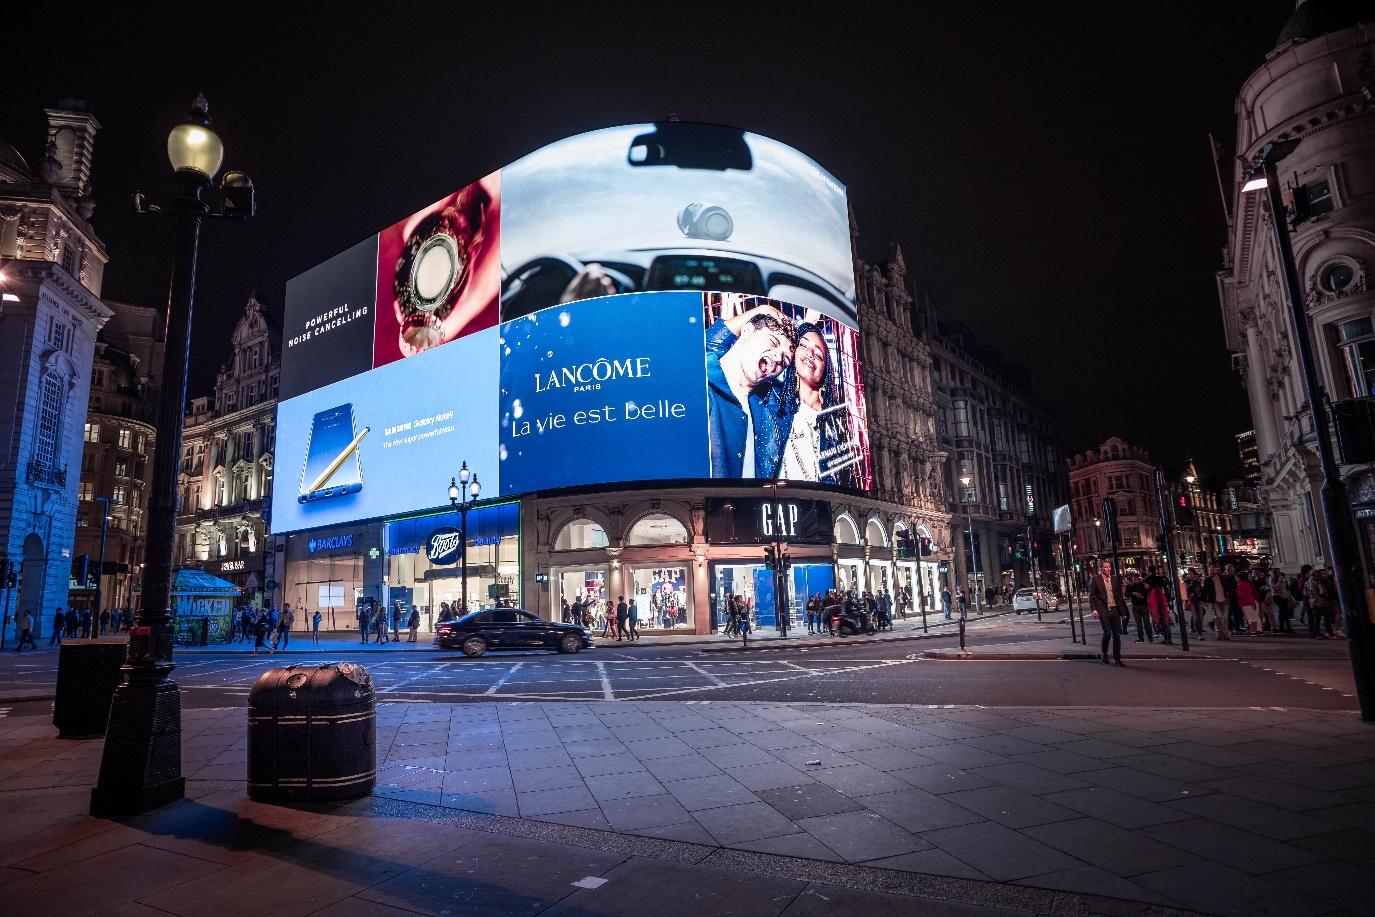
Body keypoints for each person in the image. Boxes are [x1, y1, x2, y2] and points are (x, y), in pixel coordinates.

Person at [705, 305, 796, 478]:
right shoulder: (700, 381)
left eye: (784, 360)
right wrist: (760, 310)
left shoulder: (774, 405)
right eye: (773, 342)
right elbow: (688, 353)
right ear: (746, 330)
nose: (777, 358)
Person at [1089, 559, 1127, 666]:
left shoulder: (1114, 579)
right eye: (1105, 567)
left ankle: (1117, 659)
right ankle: (1104, 654)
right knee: (1107, 633)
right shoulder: (1095, 579)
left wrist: (1123, 612)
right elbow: (1092, 596)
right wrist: (1094, 610)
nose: (1108, 569)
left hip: (1114, 609)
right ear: (1101, 568)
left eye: (1109, 567)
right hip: (1103, 610)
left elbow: (1119, 597)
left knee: (1117, 635)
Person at [1202, 564, 1233, 640]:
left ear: (1216, 570)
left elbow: (1229, 587)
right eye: (1210, 570)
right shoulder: (1207, 580)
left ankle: (1225, 634)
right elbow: (1204, 591)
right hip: (1215, 601)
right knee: (1218, 617)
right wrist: (1205, 600)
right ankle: (1219, 633)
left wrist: (1229, 596)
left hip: (1224, 600)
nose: (1212, 571)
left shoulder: (1223, 578)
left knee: (1225, 617)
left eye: (1213, 570)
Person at [1125, 573, 1152, 643]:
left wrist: (1145, 591)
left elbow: (1149, 592)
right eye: (1135, 579)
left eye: (1138, 579)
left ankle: (1150, 638)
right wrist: (1133, 593)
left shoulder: (1143, 585)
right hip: (1135, 606)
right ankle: (1141, 638)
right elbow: (1126, 594)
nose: (1136, 580)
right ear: (1133, 579)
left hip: (1143, 605)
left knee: (1146, 622)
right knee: (1138, 623)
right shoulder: (1130, 585)